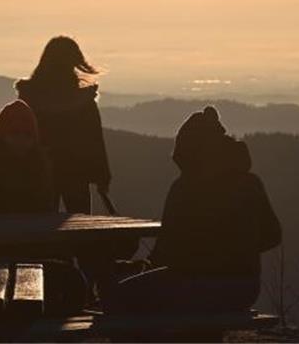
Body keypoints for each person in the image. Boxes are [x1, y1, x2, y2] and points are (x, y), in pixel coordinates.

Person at [103, 106, 282, 314]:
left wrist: (138, 267)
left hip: (197, 285)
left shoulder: (185, 188)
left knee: (116, 299)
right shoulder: (250, 182)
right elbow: (273, 235)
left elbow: (166, 252)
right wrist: (238, 251)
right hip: (245, 289)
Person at [15, 36, 110, 213]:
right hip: (76, 171)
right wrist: (102, 176)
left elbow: (18, 137)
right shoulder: (84, 101)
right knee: (80, 225)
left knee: (41, 227)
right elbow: (95, 140)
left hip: (39, 171)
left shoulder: (29, 98)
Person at [0, 99, 57, 216]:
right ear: (2, 135)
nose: (21, 139)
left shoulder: (39, 159)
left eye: (27, 134)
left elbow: (46, 201)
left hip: (30, 227)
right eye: (15, 133)